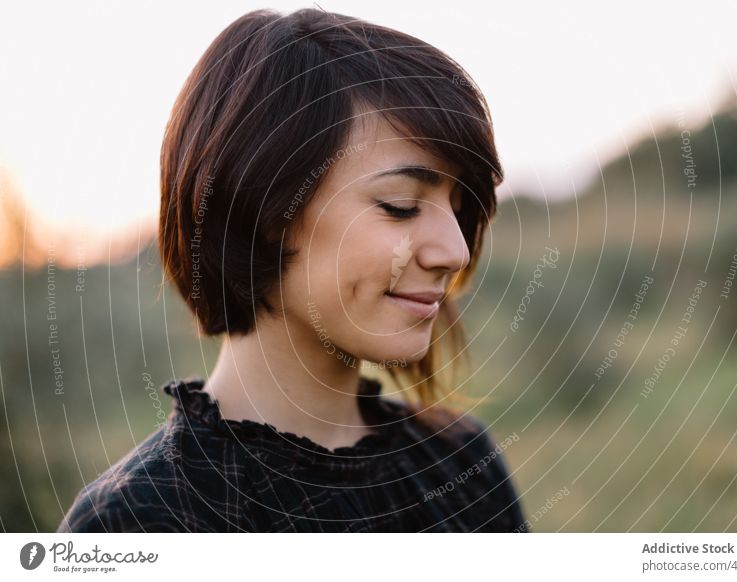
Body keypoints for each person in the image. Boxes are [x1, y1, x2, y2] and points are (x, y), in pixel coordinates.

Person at [58, 7, 527, 532]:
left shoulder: (463, 467)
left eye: (459, 207)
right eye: (400, 204)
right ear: (266, 211)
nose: (455, 251)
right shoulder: (143, 522)